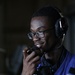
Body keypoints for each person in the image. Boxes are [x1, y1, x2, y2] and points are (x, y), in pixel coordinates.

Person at [22, 6, 75, 75]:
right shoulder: (32, 66)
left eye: (40, 32)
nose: (35, 38)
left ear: (58, 30)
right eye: (33, 33)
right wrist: (25, 73)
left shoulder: (72, 65)